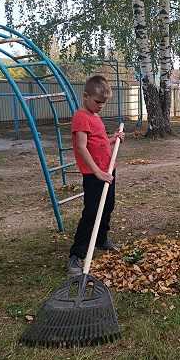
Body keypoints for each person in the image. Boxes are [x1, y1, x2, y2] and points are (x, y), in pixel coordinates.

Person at [68, 75, 125, 277]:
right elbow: (82, 148)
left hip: (108, 170)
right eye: (98, 102)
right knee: (92, 211)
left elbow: (99, 142)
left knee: (108, 205)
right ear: (86, 96)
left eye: (104, 103)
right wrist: (97, 172)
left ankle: (101, 239)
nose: (101, 106)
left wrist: (114, 139)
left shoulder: (95, 117)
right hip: (95, 175)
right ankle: (76, 254)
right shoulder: (81, 117)